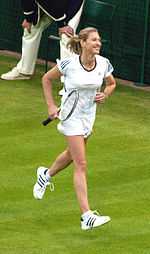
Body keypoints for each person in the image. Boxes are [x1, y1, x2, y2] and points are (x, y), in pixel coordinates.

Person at [33, 27, 116, 230]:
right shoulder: (69, 64)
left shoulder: (103, 63)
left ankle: (45, 175)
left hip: (89, 116)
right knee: (81, 163)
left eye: (99, 40)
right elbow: (46, 79)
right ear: (83, 43)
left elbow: (111, 83)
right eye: (94, 40)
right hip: (70, 116)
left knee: (72, 154)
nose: (98, 43)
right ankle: (86, 216)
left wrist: (105, 94)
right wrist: (51, 106)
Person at [1, 0, 84, 80]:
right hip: (49, 4)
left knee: (67, 36)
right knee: (30, 28)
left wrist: (62, 24)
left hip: (71, 2)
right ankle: (24, 71)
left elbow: (56, 3)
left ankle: (70, 82)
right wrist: (29, 18)